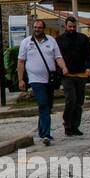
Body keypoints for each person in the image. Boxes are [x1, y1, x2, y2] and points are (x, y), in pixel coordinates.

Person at [17, 18, 68, 146]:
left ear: (43, 29)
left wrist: (64, 67)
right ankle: (46, 134)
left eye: (39, 27)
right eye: (35, 27)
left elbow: (58, 57)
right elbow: (21, 62)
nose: (37, 29)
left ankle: (41, 130)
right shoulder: (26, 42)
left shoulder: (51, 41)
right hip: (35, 79)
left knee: (48, 106)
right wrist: (21, 79)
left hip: (49, 79)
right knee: (43, 104)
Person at [56, 15, 90, 136]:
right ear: (65, 26)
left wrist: (89, 67)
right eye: (69, 26)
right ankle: (67, 124)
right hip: (67, 75)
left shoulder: (83, 38)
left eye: (73, 26)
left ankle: (75, 126)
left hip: (81, 74)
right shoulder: (59, 40)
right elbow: (56, 57)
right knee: (70, 99)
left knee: (79, 101)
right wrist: (61, 69)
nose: (72, 28)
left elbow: (89, 55)